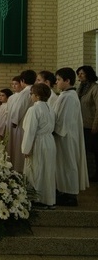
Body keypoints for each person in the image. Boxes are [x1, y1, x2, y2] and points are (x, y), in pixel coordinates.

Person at [53, 67, 89, 206]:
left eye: (59, 80)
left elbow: (64, 120)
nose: (56, 82)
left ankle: (70, 195)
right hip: (63, 135)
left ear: (67, 81)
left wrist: (52, 129)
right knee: (63, 165)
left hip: (66, 136)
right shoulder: (65, 95)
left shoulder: (69, 97)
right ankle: (63, 191)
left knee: (68, 164)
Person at [21, 83, 56, 209]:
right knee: (47, 171)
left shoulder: (34, 109)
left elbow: (30, 131)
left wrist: (26, 148)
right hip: (49, 141)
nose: (30, 96)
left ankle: (37, 199)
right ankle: (48, 200)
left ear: (36, 95)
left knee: (36, 170)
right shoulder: (49, 108)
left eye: (31, 94)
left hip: (38, 142)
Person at [7, 69, 36, 172]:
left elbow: (18, 109)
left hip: (20, 125)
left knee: (19, 151)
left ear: (22, 80)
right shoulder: (33, 90)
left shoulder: (25, 92)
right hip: (27, 123)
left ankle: (18, 170)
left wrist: (13, 122)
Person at [76, 65, 98, 182]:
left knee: (94, 151)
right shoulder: (80, 88)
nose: (79, 76)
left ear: (88, 74)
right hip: (81, 125)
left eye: (82, 73)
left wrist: (95, 125)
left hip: (91, 126)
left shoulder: (95, 88)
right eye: (78, 74)